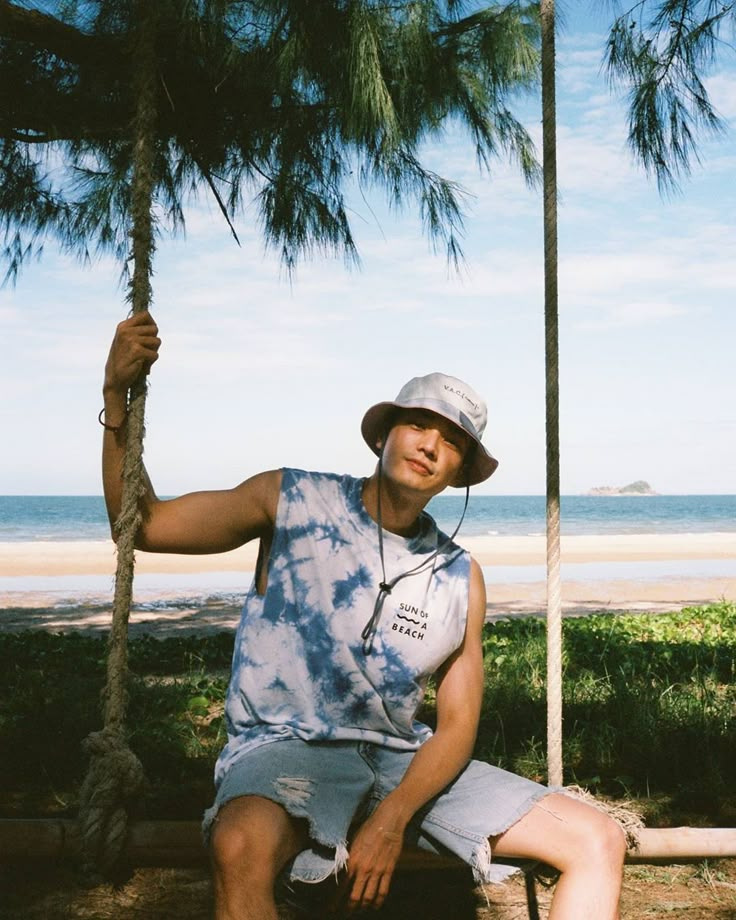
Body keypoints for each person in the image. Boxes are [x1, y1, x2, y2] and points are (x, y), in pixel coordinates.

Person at [102, 311, 626, 920]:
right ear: (385, 436)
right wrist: (117, 398)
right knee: (238, 844)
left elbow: (457, 724)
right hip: (285, 748)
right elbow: (146, 525)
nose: (431, 445)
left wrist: (393, 817)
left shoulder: (460, 576)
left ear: (460, 473)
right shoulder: (291, 499)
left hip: (403, 764)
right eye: (418, 425)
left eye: (452, 440)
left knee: (596, 838)